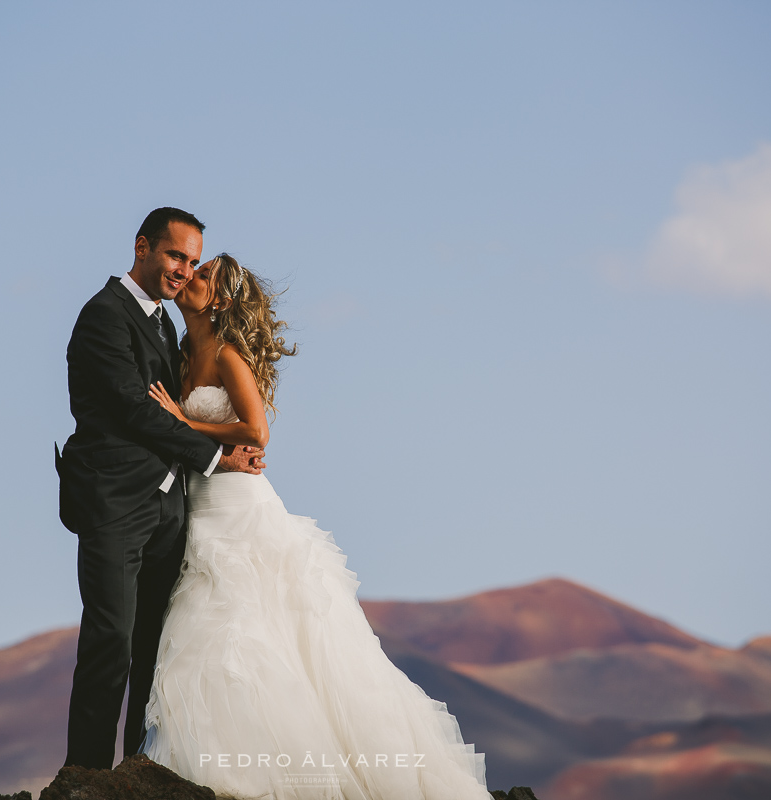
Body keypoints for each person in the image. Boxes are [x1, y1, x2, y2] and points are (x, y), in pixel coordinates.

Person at [142, 254, 491, 799]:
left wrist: (184, 419)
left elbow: (256, 430)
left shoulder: (227, 354)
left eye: (205, 275)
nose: (192, 277)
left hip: (236, 504)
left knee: (239, 628)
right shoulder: (183, 350)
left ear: (224, 299)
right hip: (199, 503)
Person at [55, 208, 264, 769]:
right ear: (142, 247)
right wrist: (218, 457)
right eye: (176, 256)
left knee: (155, 653)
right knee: (110, 643)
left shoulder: (165, 323)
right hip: (115, 506)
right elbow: (131, 409)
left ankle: (139, 771)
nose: (183, 270)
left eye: (193, 262)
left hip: (171, 512)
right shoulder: (103, 315)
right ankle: (89, 776)